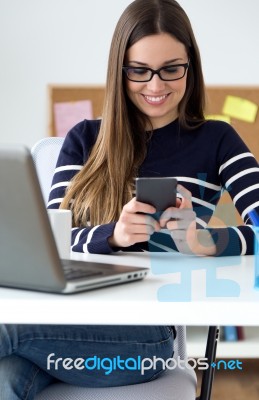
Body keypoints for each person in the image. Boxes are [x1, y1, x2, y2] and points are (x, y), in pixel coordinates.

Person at [1, 0, 259, 398]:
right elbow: (52, 242)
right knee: (6, 375)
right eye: (139, 71)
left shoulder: (218, 140)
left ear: (191, 66)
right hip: (65, 320)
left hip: (145, 341)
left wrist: (208, 241)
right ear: (119, 71)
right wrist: (114, 236)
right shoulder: (84, 139)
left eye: (172, 69)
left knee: (6, 326)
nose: (156, 86)